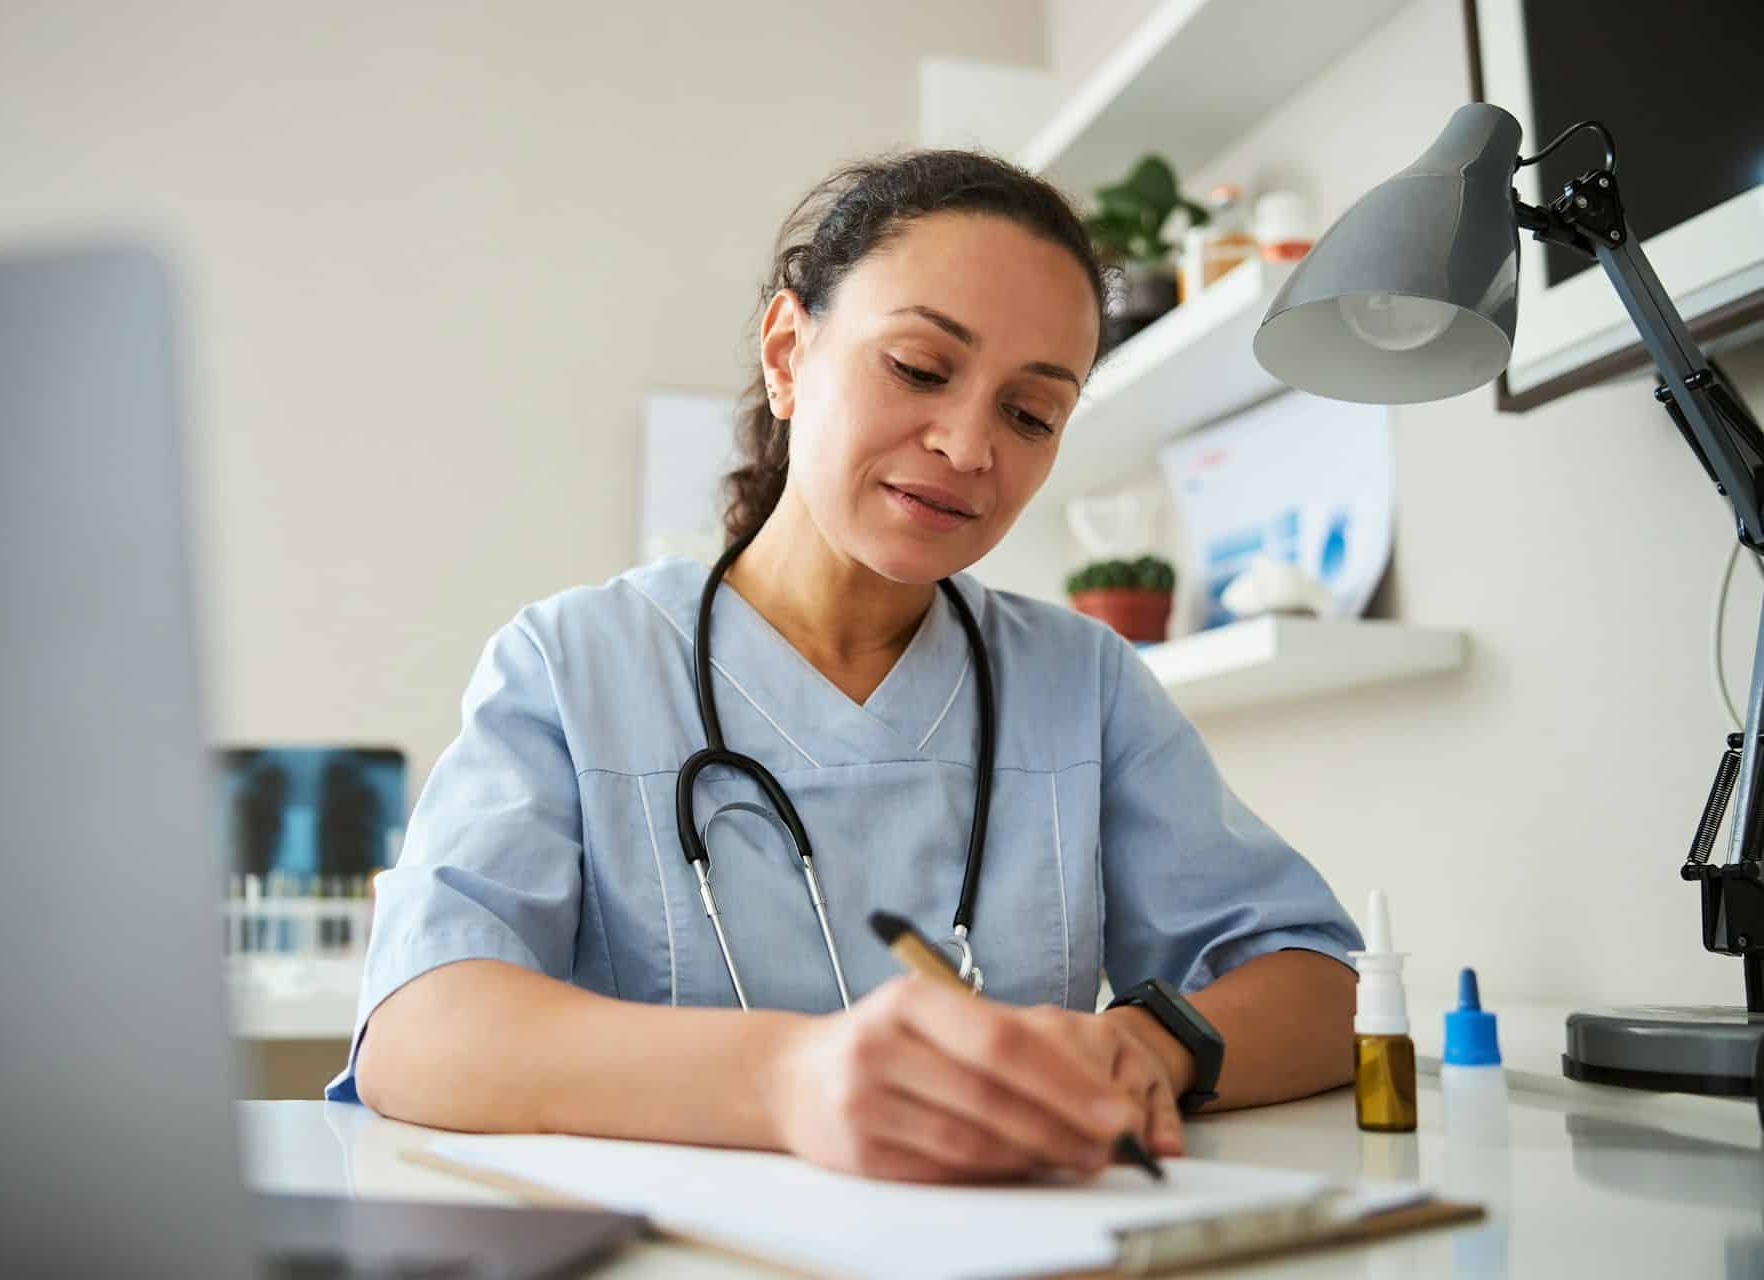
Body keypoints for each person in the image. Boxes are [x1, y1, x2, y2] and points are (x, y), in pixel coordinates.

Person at [331, 151, 1362, 1184]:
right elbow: (422, 1029)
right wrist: (787, 1078)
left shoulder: (1079, 683)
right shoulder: (573, 665)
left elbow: (1325, 985)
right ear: (788, 351)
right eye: (918, 366)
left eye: (1031, 413)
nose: (968, 445)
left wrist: (1150, 1043)